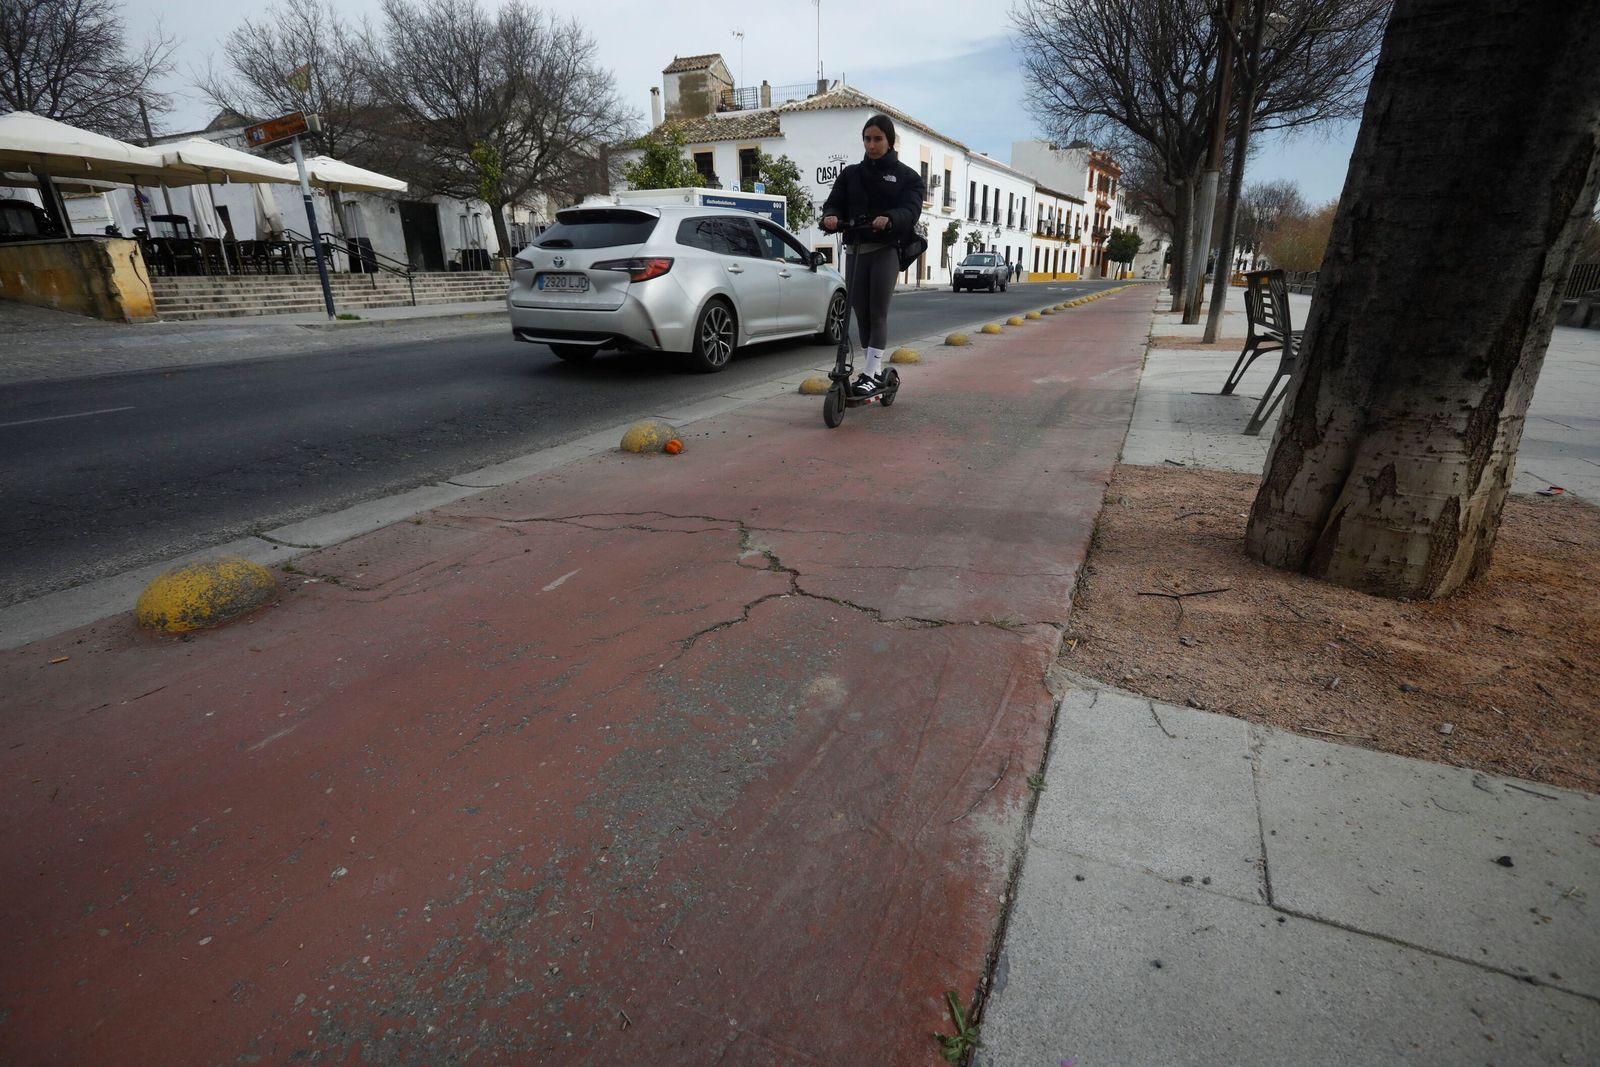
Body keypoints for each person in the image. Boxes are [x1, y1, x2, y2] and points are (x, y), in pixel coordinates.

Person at [820, 113, 925, 396]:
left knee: (877, 312)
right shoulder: (851, 174)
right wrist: (830, 216)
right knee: (861, 314)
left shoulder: (907, 177)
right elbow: (834, 203)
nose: (871, 145)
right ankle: (873, 371)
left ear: (889, 141)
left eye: (878, 139)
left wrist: (890, 218)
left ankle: (869, 373)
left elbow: (911, 210)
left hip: (884, 250)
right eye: (867, 139)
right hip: (855, 249)